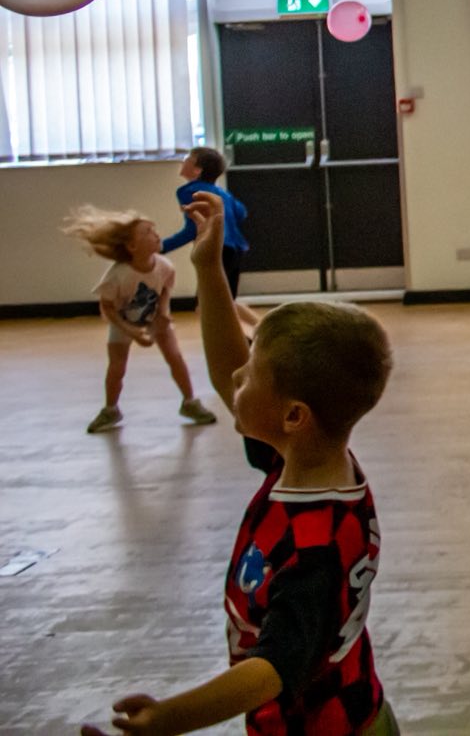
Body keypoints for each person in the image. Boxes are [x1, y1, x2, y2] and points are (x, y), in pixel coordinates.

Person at [85, 194, 395, 736]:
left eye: (251, 375)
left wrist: (169, 718)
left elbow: (270, 671)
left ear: (294, 415)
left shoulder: (315, 544)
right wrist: (209, 271)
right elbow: (230, 363)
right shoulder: (309, 460)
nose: (233, 380)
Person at [64, 205, 216, 433]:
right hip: (122, 321)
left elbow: (165, 290)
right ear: (132, 246)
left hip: (155, 318)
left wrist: (163, 313)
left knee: (175, 357)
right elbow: (107, 307)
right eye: (148, 232)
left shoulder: (164, 266)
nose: (156, 234)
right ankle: (110, 409)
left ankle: (190, 402)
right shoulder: (118, 274)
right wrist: (131, 331)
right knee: (117, 367)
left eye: (154, 230)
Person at [159, 147, 252, 298]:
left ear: (197, 170)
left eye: (188, 159)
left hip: (215, 249)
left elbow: (193, 229)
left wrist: (162, 247)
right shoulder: (223, 193)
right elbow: (241, 213)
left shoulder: (190, 191)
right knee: (226, 300)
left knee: (207, 302)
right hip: (235, 250)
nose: (183, 161)